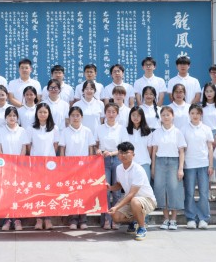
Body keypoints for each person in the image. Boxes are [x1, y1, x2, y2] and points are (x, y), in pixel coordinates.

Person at [107, 141, 157, 241]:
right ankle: (135, 221)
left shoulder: (138, 169)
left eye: (127, 153)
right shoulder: (119, 168)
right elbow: (119, 184)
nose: (123, 155)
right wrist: (111, 188)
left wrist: (116, 207)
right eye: (121, 152)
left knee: (134, 201)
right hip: (131, 199)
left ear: (133, 155)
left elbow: (131, 194)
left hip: (147, 200)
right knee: (115, 216)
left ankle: (142, 228)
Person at [58, 106, 96, 229]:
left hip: (84, 166)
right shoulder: (65, 131)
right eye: (73, 115)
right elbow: (62, 149)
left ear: (82, 117)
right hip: (69, 167)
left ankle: (83, 220)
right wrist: (63, 165)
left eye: (77, 115)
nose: (75, 118)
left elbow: (91, 149)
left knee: (84, 192)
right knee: (72, 192)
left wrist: (90, 164)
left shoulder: (87, 131)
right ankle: (73, 220)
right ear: (69, 117)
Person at [151, 106, 186, 231]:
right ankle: (165, 218)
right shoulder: (156, 132)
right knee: (161, 189)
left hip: (173, 162)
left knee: (174, 189)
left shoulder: (178, 132)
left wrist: (181, 168)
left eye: (168, 115)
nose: (165, 117)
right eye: (163, 115)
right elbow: (154, 151)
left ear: (173, 116)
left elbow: (181, 151)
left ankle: (173, 220)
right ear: (160, 117)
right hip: (160, 162)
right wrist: (153, 167)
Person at [0, 106, 29, 231]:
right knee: (7, 193)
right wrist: (4, 164)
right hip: (5, 167)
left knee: (18, 193)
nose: (12, 118)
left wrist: (19, 163)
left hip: (19, 167)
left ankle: (18, 219)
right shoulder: (0, 131)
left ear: (17, 118)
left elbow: (24, 148)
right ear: (5, 117)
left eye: (14, 115)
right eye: (9, 115)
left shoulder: (22, 131)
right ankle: (7, 219)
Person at [181, 104, 214, 230]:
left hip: (203, 164)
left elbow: (210, 148)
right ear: (189, 114)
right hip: (189, 165)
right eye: (192, 113)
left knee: (204, 193)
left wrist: (210, 165)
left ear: (201, 115)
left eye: (197, 113)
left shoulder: (206, 129)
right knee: (189, 193)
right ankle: (191, 218)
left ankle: (203, 218)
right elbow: (182, 149)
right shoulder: (183, 129)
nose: (195, 116)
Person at [29, 103, 60, 230]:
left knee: (48, 191)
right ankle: (38, 219)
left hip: (50, 165)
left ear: (49, 114)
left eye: (45, 112)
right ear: (36, 113)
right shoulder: (31, 128)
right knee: (37, 191)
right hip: (35, 164)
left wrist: (49, 159)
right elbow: (29, 145)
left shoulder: (54, 128)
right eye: (40, 112)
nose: (42, 114)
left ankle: (47, 219)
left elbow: (56, 145)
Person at [95, 102, 123, 230]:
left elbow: (123, 147)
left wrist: (112, 153)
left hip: (117, 159)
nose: (111, 114)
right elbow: (96, 144)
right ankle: (106, 219)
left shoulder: (121, 128)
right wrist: (97, 150)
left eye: (113, 112)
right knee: (105, 190)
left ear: (117, 114)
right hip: (103, 160)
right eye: (108, 112)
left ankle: (115, 219)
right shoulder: (99, 128)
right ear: (105, 113)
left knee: (116, 191)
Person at [121, 106, 153, 180]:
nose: (136, 117)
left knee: (145, 185)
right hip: (129, 163)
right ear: (130, 116)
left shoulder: (148, 131)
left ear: (142, 117)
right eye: (133, 115)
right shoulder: (125, 130)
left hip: (144, 163)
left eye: (138, 115)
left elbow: (149, 149)